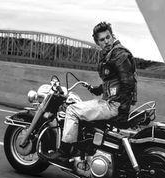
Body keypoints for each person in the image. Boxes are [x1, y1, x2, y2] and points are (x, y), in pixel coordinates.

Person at [46, 21, 138, 167]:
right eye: (102, 40)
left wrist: (120, 108)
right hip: (112, 102)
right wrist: (98, 89)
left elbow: (128, 83)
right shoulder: (111, 54)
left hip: (114, 106)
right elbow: (116, 81)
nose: (106, 41)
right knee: (82, 110)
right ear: (97, 42)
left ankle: (63, 152)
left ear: (112, 36)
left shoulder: (119, 55)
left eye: (108, 37)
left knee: (71, 109)